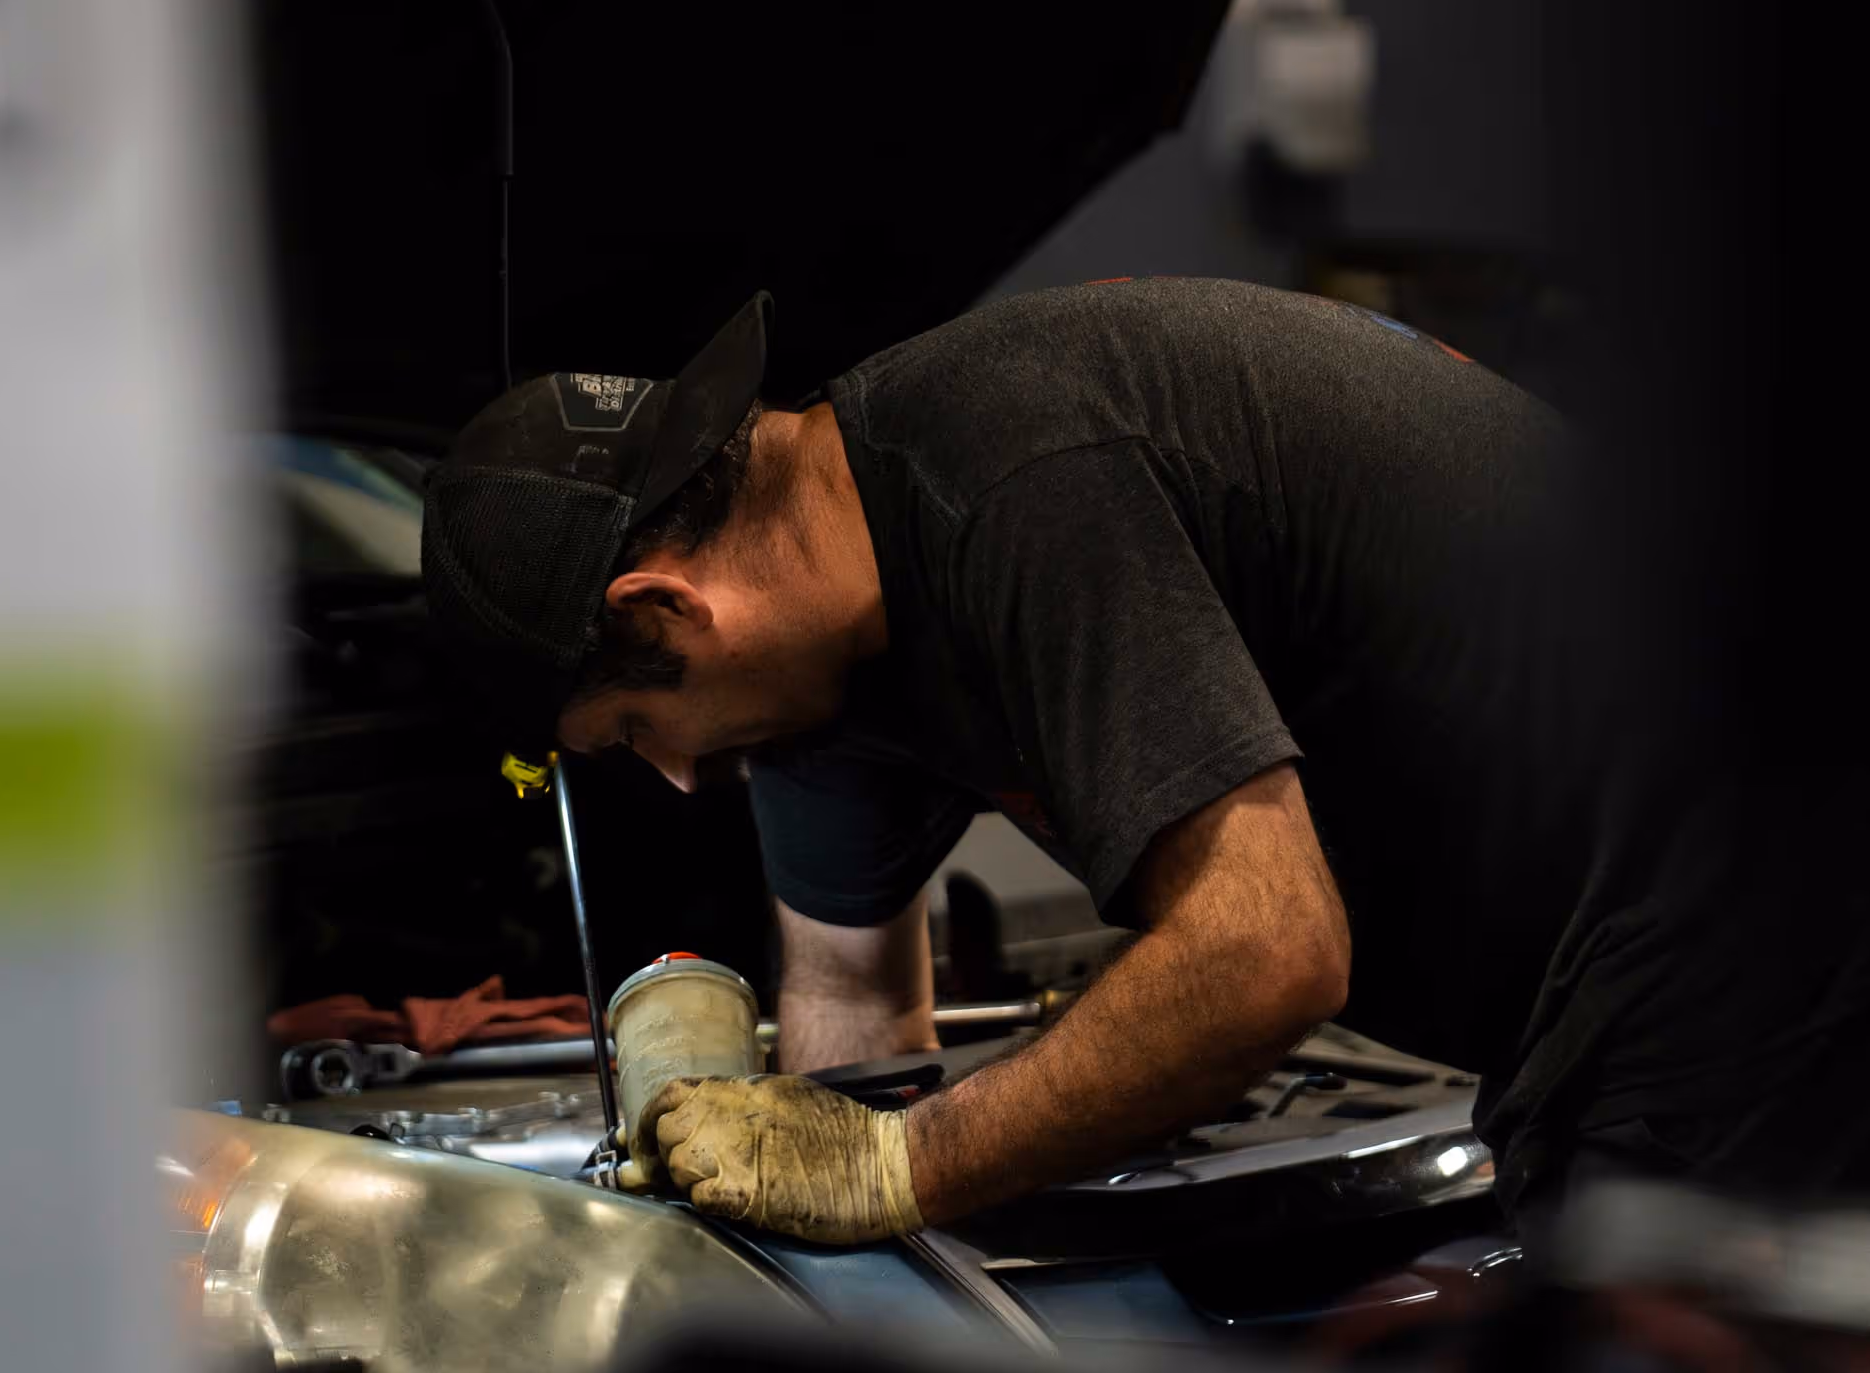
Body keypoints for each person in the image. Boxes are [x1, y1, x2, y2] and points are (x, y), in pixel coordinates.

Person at [418, 280, 1869, 1246]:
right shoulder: (819, 668)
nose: (673, 778)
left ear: (665, 611)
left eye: (627, 734)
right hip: (1626, 966)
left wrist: (902, 1170)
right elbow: (854, 1007)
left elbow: (1266, 956)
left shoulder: (1011, 481)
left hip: (1762, 907)